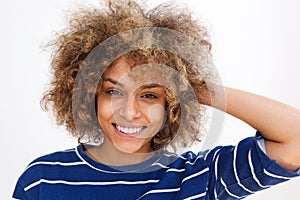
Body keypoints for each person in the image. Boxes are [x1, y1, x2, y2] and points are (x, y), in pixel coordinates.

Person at [12, 0, 300, 199]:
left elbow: (295, 140)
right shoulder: (43, 178)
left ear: (171, 105)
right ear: (89, 94)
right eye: (113, 91)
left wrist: (195, 88)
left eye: (149, 94)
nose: (129, 112)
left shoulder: (199, 178)